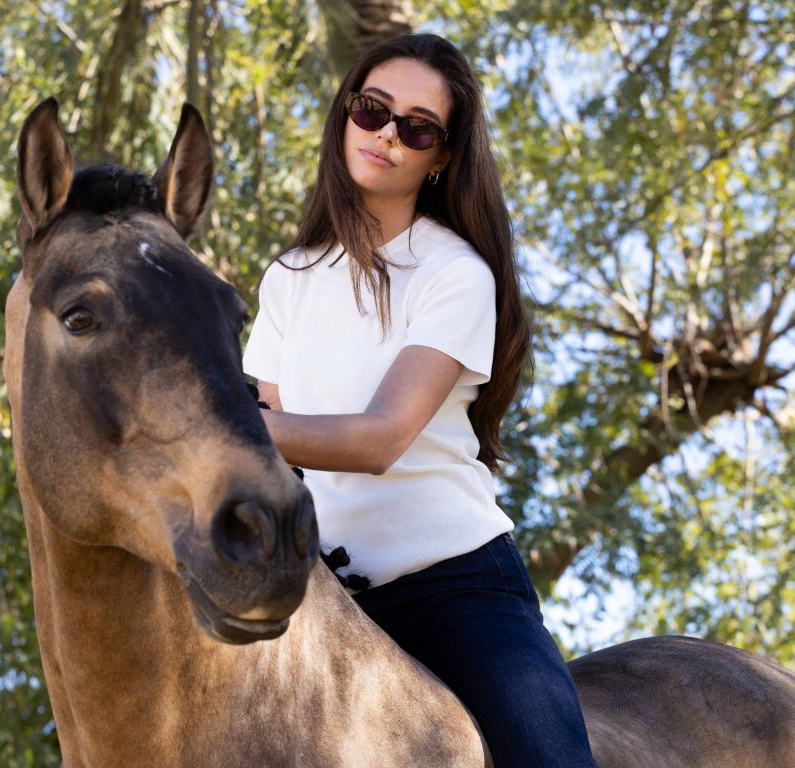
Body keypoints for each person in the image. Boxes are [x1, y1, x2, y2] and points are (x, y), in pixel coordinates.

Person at [242, 33, 598, 768]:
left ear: (440, 157)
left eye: (417, 128)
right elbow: (280, 455)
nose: (386, 136)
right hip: (324, 604)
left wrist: (219, 423)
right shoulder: (288, 278)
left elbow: (380, 438)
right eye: (373, 110)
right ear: (347, 112)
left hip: (456, 592)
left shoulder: (454, 272)